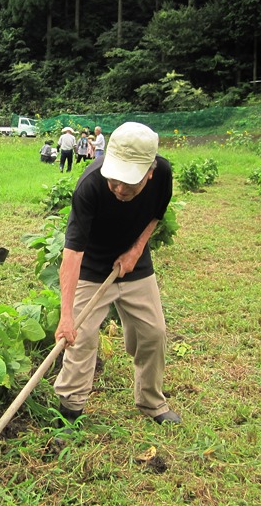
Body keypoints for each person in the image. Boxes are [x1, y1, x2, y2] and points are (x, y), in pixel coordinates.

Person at [53, 121, 181, 426]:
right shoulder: (91, 185)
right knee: (81, 338)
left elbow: (157, 211)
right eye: (115, 181)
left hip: (134, 262)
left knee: (154, 332)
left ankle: (151, 402)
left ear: (149, 172)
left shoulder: (162, 173)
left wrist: (137, 249)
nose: (120, 189)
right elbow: (71, 255)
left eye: (130, 183)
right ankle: (70, 407)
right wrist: (66, 316)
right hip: (92, 265)